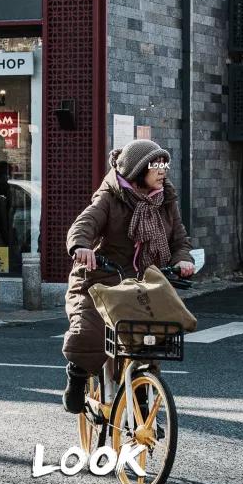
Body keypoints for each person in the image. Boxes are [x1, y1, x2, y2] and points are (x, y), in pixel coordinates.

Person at [60, 139, 194, 414]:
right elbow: (84, 224)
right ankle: (77, 375)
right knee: (88, 333)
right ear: (137, 170)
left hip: (144, 284)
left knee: (150, 341)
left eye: (164, 165)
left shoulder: (166, 201)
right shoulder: (110, 197)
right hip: (102, 279)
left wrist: (183, 260)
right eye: (156, 165)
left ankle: (142, 395)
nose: (162, 171)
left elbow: (179, 239)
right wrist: (81, 247)